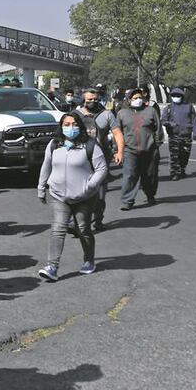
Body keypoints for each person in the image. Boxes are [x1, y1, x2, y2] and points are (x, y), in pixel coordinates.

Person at [36, 111, 108, 282]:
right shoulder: (54, 145)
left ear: (80, 126)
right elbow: (46, 166)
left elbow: (102, 168)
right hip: (59, 195)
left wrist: (90, 185)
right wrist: (41, 187)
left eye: (74, 124)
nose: (70, 128)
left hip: (84, 197)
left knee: (83, 229)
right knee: (58, 229)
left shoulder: (90, 145)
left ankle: (89, 260)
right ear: (61, 127)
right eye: (66, 125)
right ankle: (52, 267)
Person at [77, 88, 124, 231]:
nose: (92, 102)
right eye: (89, 99)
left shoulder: (107, 115)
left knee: (100, 194)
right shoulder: (76, 114)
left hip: (101, 159)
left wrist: (119, 152)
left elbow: (117, 133)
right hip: (80, 159)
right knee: (80, 192)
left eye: (95, 99)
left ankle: (97, 219)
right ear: (84, 99)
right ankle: (80, 222)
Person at [117, 89, 162, 210]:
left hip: (150, 149)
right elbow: (118, 132)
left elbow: (158, 129)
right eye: (135, 98)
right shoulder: (122, 113)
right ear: (129, 100)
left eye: (140, 97)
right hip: (130, 150)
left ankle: (150, 195)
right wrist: (118, 150)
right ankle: (127, 201)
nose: (138, 100)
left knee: (150, 175)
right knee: (130, 175)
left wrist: (156, 144)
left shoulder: (151, 111)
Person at [162, 88, 196, 180]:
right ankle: (174, 173)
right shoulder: (168, 108)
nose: (176, 97)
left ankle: (182, 169)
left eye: (178, 96)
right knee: (174, 156)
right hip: (174, 135)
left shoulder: (189, 107)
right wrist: (170, 124)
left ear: (182, 97)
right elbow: (163, 120)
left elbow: (194, 120)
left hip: (186, 135)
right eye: (174, 96)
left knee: (185, 154)